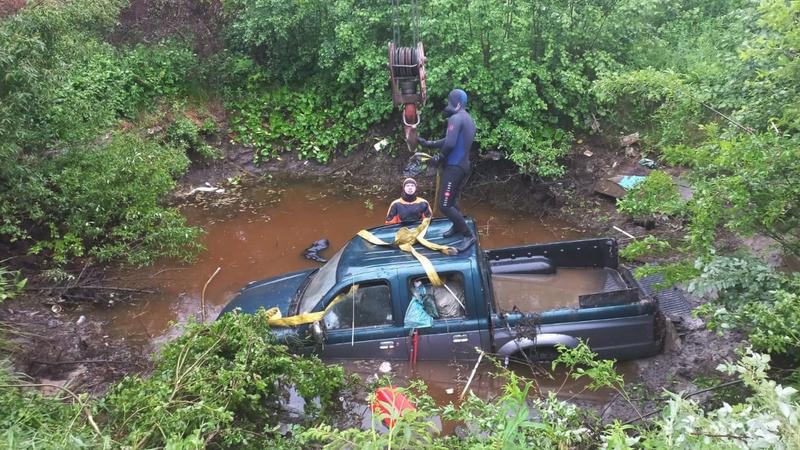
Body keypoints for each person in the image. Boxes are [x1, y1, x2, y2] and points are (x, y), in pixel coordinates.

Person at [418, 88, 476, 251]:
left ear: (457, 104)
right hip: (463, 166)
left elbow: (450, 144)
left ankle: (467, 235)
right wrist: (429, 144)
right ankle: (457, 227)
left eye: (450, 103)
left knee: (444, 205)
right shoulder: (468, 119)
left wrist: (439, 158)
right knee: (453, 200)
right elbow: (450, 139)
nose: (448, 107)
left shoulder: (455, 118)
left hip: (454, 167)